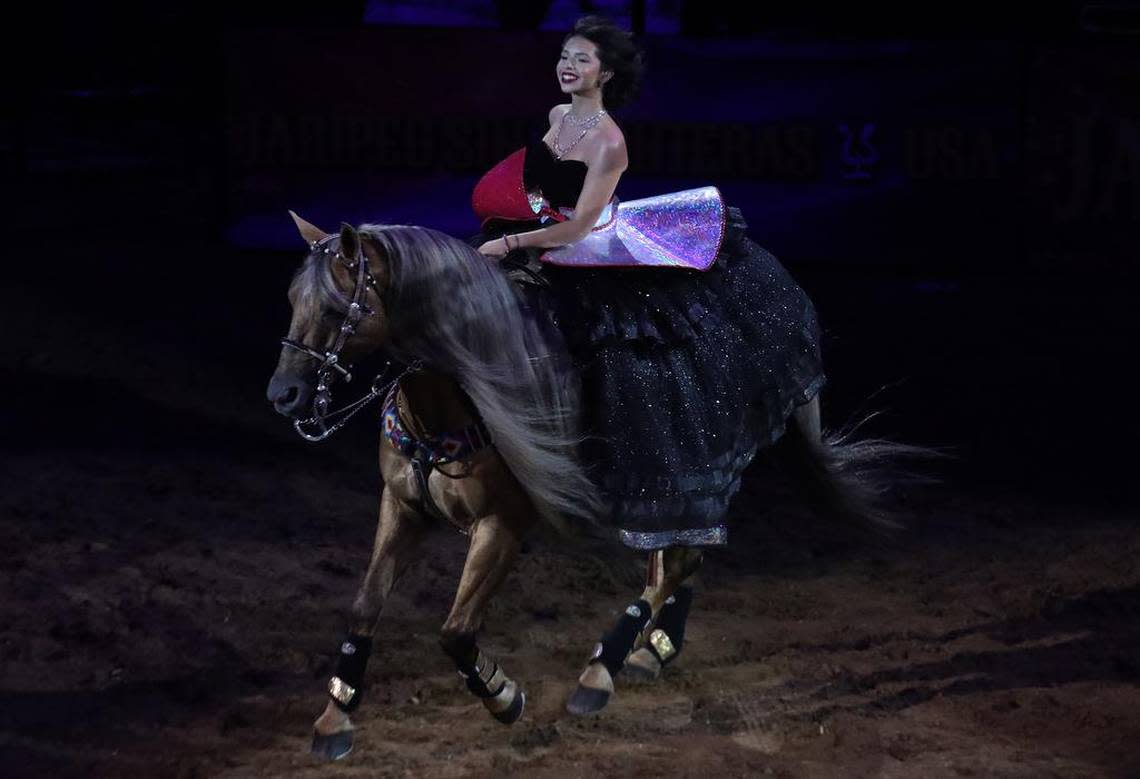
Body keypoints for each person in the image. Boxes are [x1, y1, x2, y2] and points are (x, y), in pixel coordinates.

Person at [469, 15, 826, 550]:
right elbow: (541, 189)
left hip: (586, 245)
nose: (567, 65)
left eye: (581, 59)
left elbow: (581, 225)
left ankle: (592, 461)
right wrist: (519, 218)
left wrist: (516, 243)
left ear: (606, 73)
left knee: (615, 353)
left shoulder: (611, 143)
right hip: (543, 235)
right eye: (564, 55)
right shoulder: (556, 115)